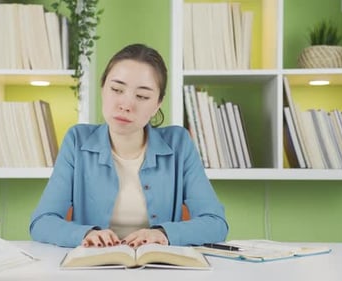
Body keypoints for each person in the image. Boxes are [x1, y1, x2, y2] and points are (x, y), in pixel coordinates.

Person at [30, 43, 228, 248]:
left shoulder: (179, 143)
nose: (126, 105)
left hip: (158, 268)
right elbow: (42, 222)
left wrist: (163, 234)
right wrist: (85, 234)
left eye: (142, 96)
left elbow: (216, 224)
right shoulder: (77, 140)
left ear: (158, 103)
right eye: (116, 89)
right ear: (102, 89)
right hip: (93, 267)